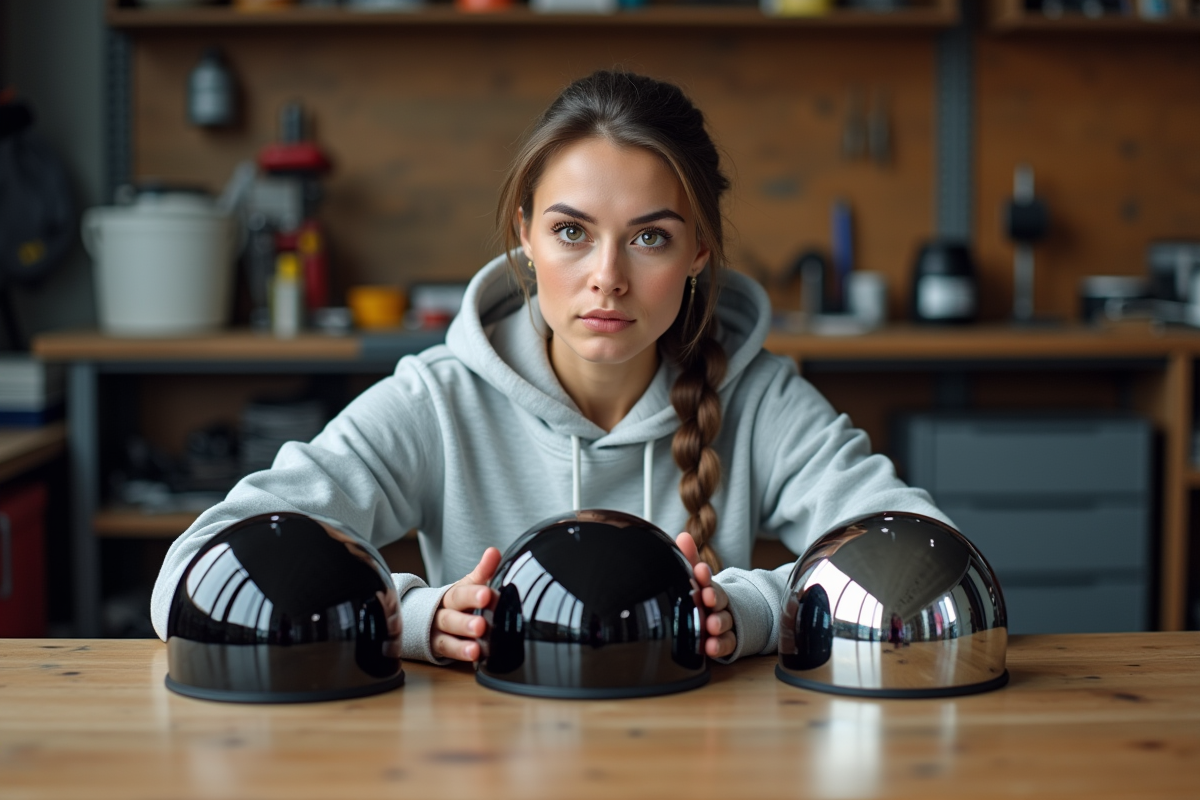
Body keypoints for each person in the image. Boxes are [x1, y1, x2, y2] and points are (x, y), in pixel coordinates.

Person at [150, 70, 947, 665]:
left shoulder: (761, 400)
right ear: (524, 234)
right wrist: (412, 618)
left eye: (650, 237)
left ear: (700, 252)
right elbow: (191, 574)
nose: (608, 277)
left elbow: (928, 563)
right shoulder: (438, 400)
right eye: (572, 232)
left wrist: (758, 609)